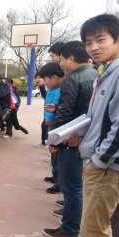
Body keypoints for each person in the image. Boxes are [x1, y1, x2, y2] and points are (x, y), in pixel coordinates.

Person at [64, 14, 119, 237]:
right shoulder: (106, 72)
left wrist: (100, 160)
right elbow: (100, 118)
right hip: (100, 162)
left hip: (107, 167)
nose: (94, 47)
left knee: (94, 232)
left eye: (101, 40)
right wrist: (81, 133)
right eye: (89, 42)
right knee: (99, 229)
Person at [42, 41, 98, 237]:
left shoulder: (73, 79)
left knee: (71, 186)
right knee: (77, 185)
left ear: (71, 58)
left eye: (62, 60)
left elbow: (65, 113)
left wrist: (54, 141)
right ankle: (72, 224)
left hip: (71, 139)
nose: (61, 64)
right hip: (86, 136)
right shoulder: (96, 75)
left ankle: (69, 229)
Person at [38, 62, 65, 192]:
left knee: (56, 152)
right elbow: (48, 104)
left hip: (57, 124)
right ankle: (55, 176)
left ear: (54, 78)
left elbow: (53, 107)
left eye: (45, 79)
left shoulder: (60, 90)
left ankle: (59, 183)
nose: (43, 82)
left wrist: (49, 119)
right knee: (54, 152)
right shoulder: (51, 90)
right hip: (52, 123)